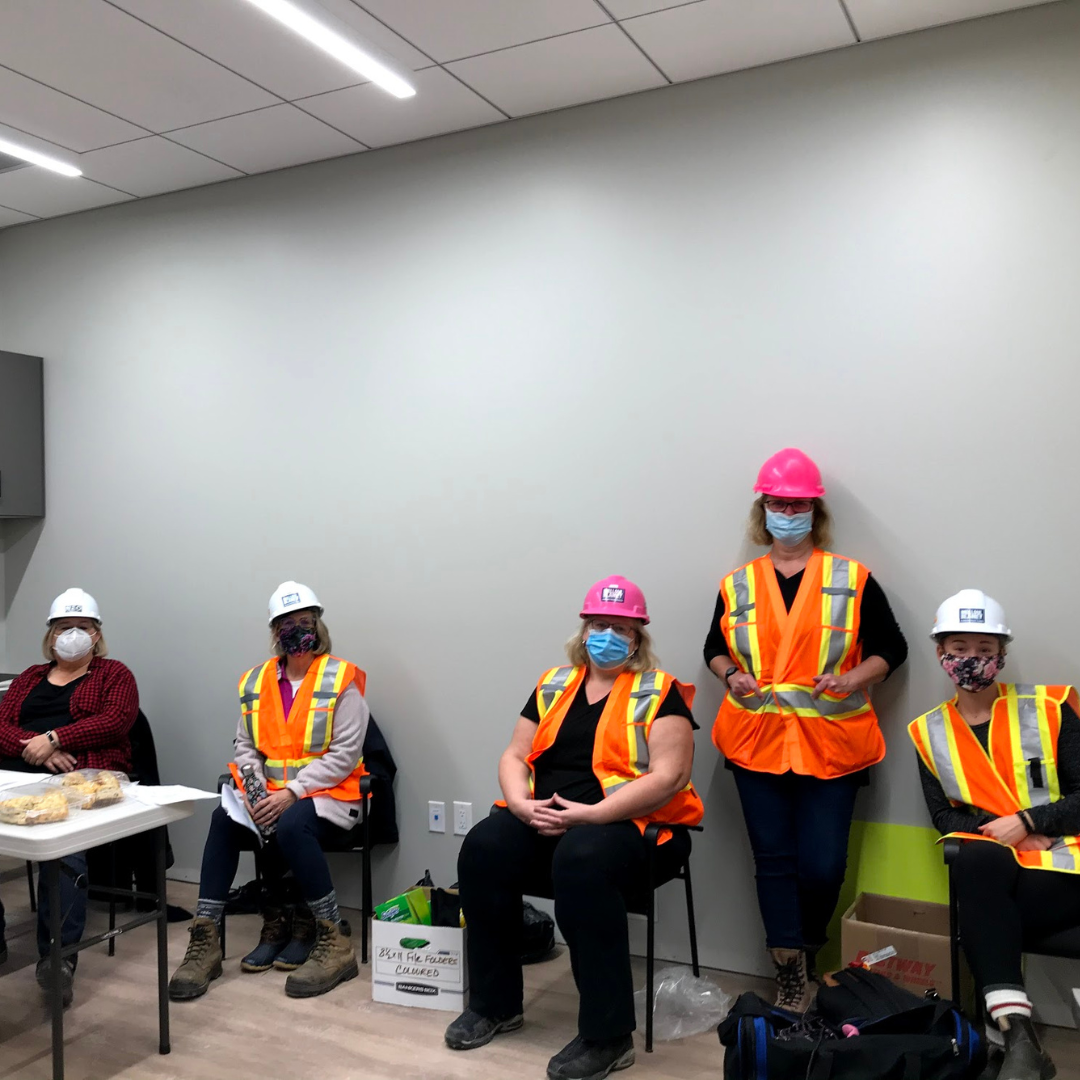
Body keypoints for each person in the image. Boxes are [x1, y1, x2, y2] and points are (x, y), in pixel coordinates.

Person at [446, 576, 703, 1080]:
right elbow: (516, 753)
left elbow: (670, 776)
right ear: (584, 630)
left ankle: (608, 1036)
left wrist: (589, 815)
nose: (609, 635)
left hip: (635, 830)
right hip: (550, 819)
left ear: (638, 638)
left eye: (621, 628)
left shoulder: (660, 690)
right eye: (600, 625)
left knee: (581, 860)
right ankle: (495, 1004)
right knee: (483, 847)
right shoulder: (553, 683)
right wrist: (520, 804)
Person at [705, 449, 907, 1012]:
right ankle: (789, 969)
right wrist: (732, 674)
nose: (785, 511)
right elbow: (713, 648)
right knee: (772, 861)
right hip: (755, 743)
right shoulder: (736, 584)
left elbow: (893, 648)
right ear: (762, 509)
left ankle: (810, 945)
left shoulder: (852, 578)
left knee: (823, 865)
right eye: (776, 502)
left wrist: (852, 680)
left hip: (832, 746)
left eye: (796, 503)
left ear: (813, 511)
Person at [169, 581, 369, 1001]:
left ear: (318, 625)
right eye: (287, 624)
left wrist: (291, 792)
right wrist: (257, 794)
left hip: (332, 799)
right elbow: (245, 749)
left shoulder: (341, 679)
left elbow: (345, 754)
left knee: (293, 823)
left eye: (305, 621)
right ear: (275, 631)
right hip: (272, 799)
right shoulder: (256, 682)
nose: (297, 630)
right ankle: (206, 940)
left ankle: (334, 942)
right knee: (223, 818)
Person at [910, 589, 1078, 1080]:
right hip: (999, 870)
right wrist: (1009, 836)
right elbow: (943, 817)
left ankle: (1007, 1041)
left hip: (1067, 872)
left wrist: (1030, 822)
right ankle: (1021, 1040)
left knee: (981, 914)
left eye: (984, 651)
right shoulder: (927, 731)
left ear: (1001, 655)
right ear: (941, 653)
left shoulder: (1050, 707)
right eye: (959, 649)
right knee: (975, 864)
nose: (971, 661)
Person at [0, 588, 139, 1005]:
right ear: (51, 634)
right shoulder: (28, 677)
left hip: (85, 780)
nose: (72, 635)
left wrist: (56, 737)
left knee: (65, 850)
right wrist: (38, 748)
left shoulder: (115, 674)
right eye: (64, 627)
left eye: (82, 627)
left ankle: (57, 959)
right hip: (22, 774)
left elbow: (116, 720)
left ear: (96, 635)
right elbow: (1, 725)